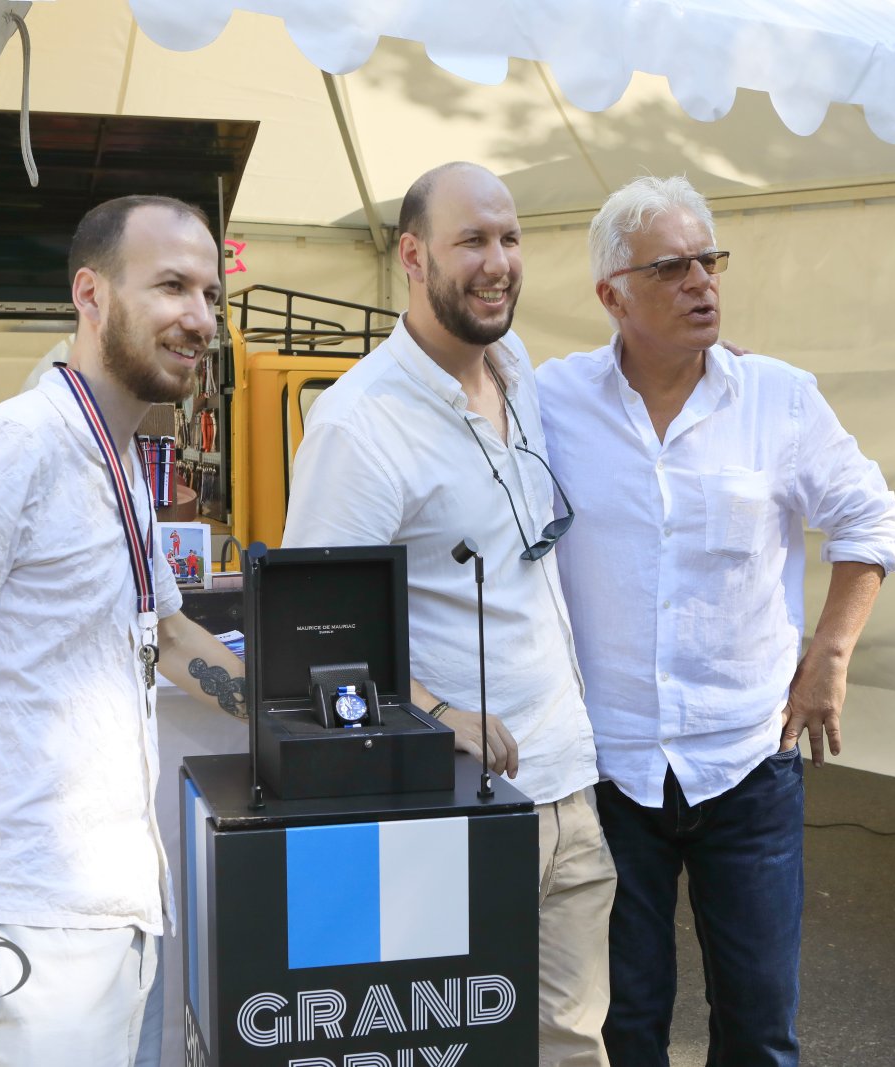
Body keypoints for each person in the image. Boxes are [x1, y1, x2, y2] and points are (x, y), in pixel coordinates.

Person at [0, 195, 248, 1067]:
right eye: (171, 286)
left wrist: (301, 714)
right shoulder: (15, 448)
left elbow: (169, 633)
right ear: (91, 294)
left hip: (109, 912)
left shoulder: (117, 456)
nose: (200, 317)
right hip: (25, 929)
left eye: (210, 294)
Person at [536, 176, 895, 1067]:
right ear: (612, 295)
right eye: (671, 267)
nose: (702, 281)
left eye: (710, 260)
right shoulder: (549, 400)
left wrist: (831, 655)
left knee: (759, 1025)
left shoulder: (778, 399)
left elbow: (871, 521)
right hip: (612, 764)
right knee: (623, 1023)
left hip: (747, 759)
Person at [282, 162, 615, 1067]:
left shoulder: (517, 367)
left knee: (572, 1045)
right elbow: (314, 641)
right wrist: (434, 712)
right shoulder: (359, 424)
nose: (497, 261)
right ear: (412, 255)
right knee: (452, 1047)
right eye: (472, 240)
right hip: (450, 804)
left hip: (567, 790)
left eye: (509, 238)